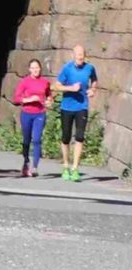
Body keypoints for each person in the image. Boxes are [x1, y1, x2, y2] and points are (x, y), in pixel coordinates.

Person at [54, 44, 99, 182]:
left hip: (82, 107)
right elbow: (56, 86)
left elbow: (95, 80)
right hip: (67, 107)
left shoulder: (90, 68)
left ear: (85, 55)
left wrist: (92, 90)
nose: (80, 57)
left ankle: (75, 168)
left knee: (80, 137)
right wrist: (70, 88)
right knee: (66, 138)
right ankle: (66, 165)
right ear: (73, 55)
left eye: (82, 54)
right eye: (77, 54)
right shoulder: (67, 68)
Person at [11, 57, 51, 177]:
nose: (35, 70)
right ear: (29, 69)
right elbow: (16, 98)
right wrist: (29, 99)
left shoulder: (45, 82)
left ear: (40, 68)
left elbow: (49, 95)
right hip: (27, 113)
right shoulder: (25, 82)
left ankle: (35, 167)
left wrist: (49, 101)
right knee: (26, 140)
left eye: (37, 68)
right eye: (33, 68)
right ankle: (26, 162)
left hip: (40, 113)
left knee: (37, 139)